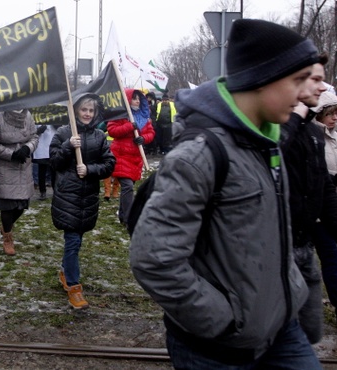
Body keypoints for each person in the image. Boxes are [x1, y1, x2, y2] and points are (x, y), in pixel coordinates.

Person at [129, 19, 323, 368]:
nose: (301, 94)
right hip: (218, 349)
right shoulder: (200, 155)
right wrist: (222, 319)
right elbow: (153, 259)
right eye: (296, 80)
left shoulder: (270, 142)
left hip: (281, 328)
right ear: (263, 78)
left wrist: (289, 294)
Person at [281, 56, 337, 344]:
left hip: (313, 228)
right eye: (316, 80)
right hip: (281, 244)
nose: (323, 87)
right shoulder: (284, 131)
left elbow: (325, 184)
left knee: (308, 332)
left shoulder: (316, 135)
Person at [51, 93, 115, 309]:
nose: (87, 114)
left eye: (91, 111)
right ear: (76, 110)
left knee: (77, 241)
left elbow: (109, 164)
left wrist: (89, 169)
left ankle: (65, 271)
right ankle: (74, 286)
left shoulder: (99, 136)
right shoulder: (63, 133)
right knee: (73, 241)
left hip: (88, 197)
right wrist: (68, 146)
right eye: (83, 110)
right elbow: (54, 162)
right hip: (67, 196)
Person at [313, 92, 337, 334]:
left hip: (333, 206)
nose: (336, 118)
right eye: (331, 113)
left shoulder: (335, 136)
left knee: (333, 261)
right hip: (316, 213)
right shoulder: (312, 136)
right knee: (330, 261)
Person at [0, 109, 39, 255]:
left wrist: (27, 148)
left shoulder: (27, 115)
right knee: (8, 206)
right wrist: (12, 154)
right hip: (5, 166)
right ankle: (8, 238)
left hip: (23, 165)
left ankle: (5, 227)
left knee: (21, 205)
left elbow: (34, 137)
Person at [107, 88, 155, 227]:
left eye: (139, 98)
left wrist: (143, 138)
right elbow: (112, 131)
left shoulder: (144, 116)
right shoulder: (120, 114)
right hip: (121, 155)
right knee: (127, 186)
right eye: (134, 98)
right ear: (128, 100)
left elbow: (151, 133)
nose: (137, 100)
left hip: (135, 158)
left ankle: (122, 215)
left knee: (128, 187)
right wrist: (129, 126)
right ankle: (129, 218)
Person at [32, 123, 57, 200]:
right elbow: (31, 132)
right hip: (42, 148)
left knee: (54, 171)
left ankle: (56, 191)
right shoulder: (37, 118)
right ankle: (42, 191)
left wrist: (56, 125)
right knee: (42, 171)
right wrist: (39, 130)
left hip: (52, 146)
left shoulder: (54, 118)